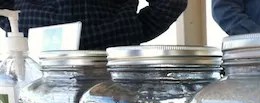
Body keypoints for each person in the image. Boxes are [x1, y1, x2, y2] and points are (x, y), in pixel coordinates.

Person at [0, 0, 188, 49]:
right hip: (32, 55)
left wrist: (134, 29)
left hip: (111, 60)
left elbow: (170, 3)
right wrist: (14, 26)